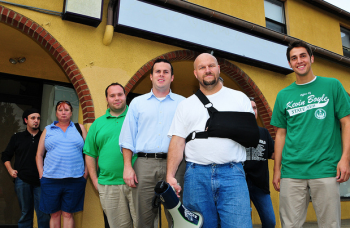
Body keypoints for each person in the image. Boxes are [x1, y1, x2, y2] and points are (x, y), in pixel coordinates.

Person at [167, 53, 255, 228]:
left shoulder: (239, 98)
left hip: (233, 174)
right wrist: (170, 175)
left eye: (211, 66)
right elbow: (177, 142)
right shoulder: (185, 105)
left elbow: (250, 136)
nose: (207, 70)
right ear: (195, 73)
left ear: (218, 68)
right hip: (195, 176)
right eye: (202, 67)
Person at [271, 41, 350, 228]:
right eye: (294, 58)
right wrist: (276, 170)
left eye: (303, 56)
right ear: (290, 64)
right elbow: (280, 135)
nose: (299, 61)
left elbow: (346, 122)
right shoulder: (283, 95)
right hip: (292, 171)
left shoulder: (332, 86)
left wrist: (345, 158)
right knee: (289, 224)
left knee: (330, 224)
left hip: (325, 167)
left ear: (311, 58)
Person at [120, 58, 186, 228]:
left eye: (166, 72)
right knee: (144, 218)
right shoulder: (137, 103)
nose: (161, 75)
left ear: (172, 77)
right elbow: (127, 137)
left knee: (177, 217)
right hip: (144, 165)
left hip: (176, 166)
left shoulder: (183, 103)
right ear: (151, 76)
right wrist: (128, 166)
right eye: (158, 71)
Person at [84, 82, 136, 228]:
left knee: (144, 224)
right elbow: (89, 153)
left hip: (137, 182)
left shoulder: (136, 118)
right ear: (107, 99)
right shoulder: (97, 124)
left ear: (125, 96)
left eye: (120, 94)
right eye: (112, 95)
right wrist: (95, 181)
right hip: (108, 185)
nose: (116, 98)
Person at [36, 101, 88, 228]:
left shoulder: (79, 128)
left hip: (75, 180)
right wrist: (41, 175)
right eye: (60, 110)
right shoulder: (48, 130)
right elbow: (39, 155)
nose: (63, 112)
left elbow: (89, 153)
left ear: (71, 112)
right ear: (56, 113)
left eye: (66, 110)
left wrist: (85, 174)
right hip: (50, 180)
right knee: (54, 214)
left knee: (68, 214)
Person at [1, 108, 50, 228]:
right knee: (25, 214)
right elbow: (5, 156)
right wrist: (10, 170)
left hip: (41, 181)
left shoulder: (46, 137)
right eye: (33, 118)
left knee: (44, 214)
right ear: (25, 120)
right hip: (22, 180)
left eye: (38, 118)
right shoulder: (17, 137)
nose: (36, 121)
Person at [244, 97, 276, 228]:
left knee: (270, 222)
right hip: (240, 184)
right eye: (249, 107)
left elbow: (274, 154)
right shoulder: (235, 132)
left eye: (255, 108)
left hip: (260, 185)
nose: (253, 111)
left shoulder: (264, 132)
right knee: (244, 223)